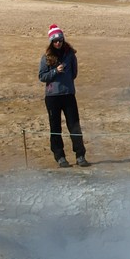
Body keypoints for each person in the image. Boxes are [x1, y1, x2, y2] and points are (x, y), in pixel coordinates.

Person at [38, 24, 89, 167]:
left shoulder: (70, 55)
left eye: (60, 40)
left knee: (74, 125)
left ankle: (80, 155)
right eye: (55, 41)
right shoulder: (46, 57)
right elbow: (42, 76)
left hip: (68, 94)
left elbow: (74, 73)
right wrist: (55, 72)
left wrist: (66, 83)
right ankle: (59, 156)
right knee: (55, 128)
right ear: (51, 42)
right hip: (52, 97)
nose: (58, 43)